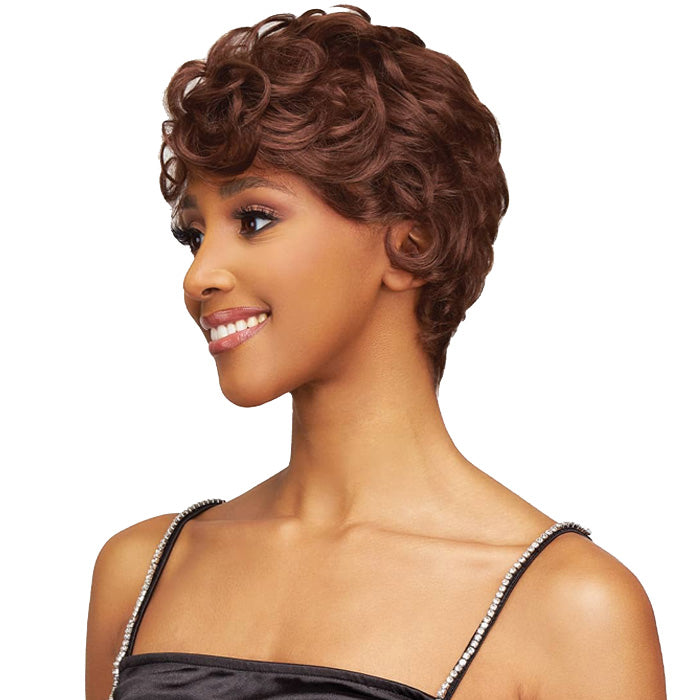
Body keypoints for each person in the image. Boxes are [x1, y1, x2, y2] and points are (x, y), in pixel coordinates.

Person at [85, 6, 666, 699]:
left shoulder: (571, 607)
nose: (199, 276)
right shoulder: (142, 572)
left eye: (255, 219)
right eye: (193, 235)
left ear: (412, 242)